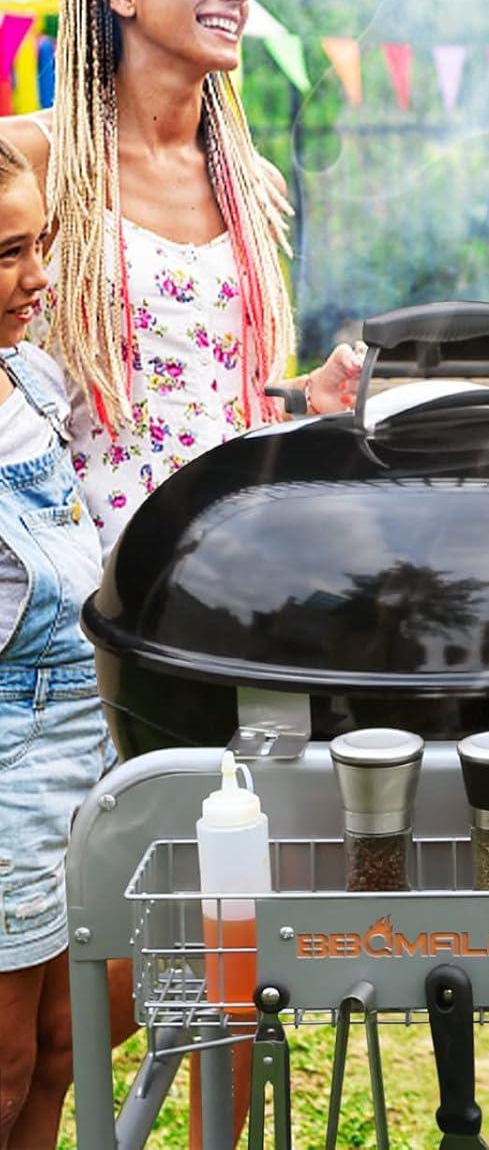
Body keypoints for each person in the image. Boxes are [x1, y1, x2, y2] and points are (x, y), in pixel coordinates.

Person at [0, 0, 360, 1146]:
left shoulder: (248, 178)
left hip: (218, 612)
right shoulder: (38, 159)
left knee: (202, 968)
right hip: (62, 624)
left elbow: (234, 400)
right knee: (45, 1025)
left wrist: (315, 401)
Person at [0, 0, 360, 551]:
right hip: (75, 598)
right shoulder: (34, 161)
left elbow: (212, 389)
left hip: (229, 570)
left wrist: (303, 395)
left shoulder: (248, 182)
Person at [0, 137, 110, 1147]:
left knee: (66, 1050)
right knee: (4, 1066)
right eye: (4, 254)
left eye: (42, 242)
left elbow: (57, 129)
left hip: (87, 755)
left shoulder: (29, 383)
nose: (38, 277)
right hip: (5, 785)